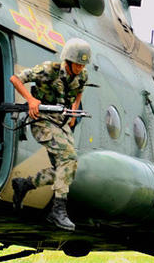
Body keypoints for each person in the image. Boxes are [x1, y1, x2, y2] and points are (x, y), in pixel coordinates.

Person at [8, 38, 91, 231]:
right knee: (68, 159)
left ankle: (25, 185)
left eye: (82, 65)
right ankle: (58, 210)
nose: (80, 68)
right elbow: (16, 79)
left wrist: (73, 111)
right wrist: (30, 100)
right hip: (42, 121)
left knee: (68, 168)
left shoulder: (83, 75)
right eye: (77, 64)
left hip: (61, 122)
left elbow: (79, 91)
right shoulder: (48, 70)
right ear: (68, 61)